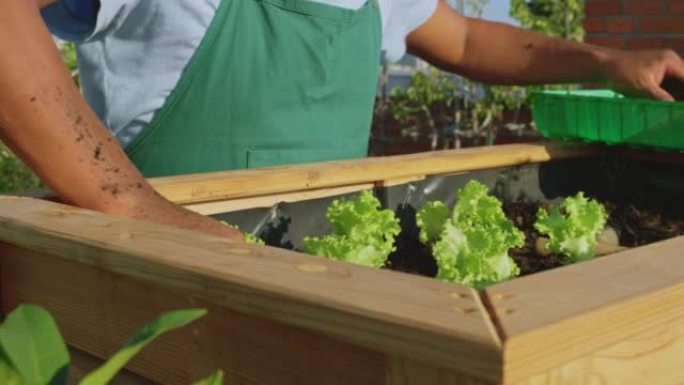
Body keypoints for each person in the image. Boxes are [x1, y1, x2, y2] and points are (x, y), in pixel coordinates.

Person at [2, 0, 683, 241]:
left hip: (326, 286)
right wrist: (128, 203)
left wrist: (605, 60)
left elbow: (470, 41)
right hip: (168, 285)